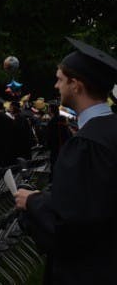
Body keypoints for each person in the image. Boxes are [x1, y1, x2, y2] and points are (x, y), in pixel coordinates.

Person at [15, 38, 117, 284]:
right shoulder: (108, 131)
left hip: (87, 270)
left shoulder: (86, 145)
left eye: (60, 79)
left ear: (76, 85)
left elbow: (71, 227)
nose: (56, 85)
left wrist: (33, 203)